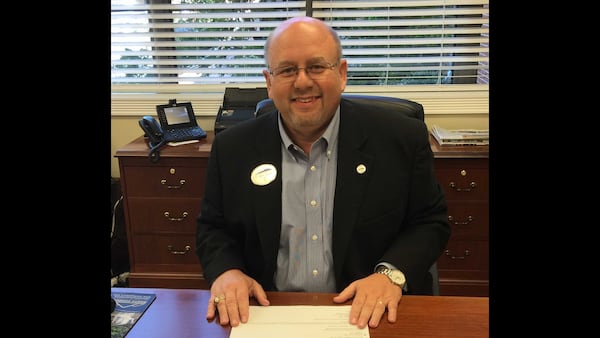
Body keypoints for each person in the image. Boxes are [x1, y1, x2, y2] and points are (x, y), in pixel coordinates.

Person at [196, 16, 450, 330]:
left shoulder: (400, 139)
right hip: (265, 314)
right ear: (269, 81)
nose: (302, 82)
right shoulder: (232, 148)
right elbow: (213, 228)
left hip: (367, 314)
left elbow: (430, 222)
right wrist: (227, 271)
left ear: (341, 74)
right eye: (287, 70)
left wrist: (390, 275)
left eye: (316, 67)